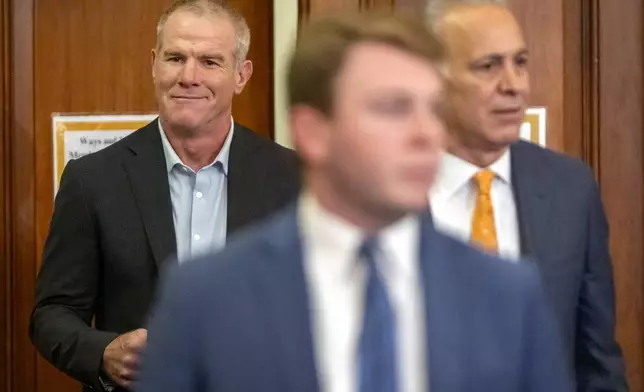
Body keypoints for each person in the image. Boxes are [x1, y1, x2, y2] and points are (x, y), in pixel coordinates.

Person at [136, 10, 573, 392]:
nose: (426, 135)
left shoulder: (508, 296)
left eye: (434, 110)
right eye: (392, 108)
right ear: (312, 132)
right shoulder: (204, 298)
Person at [29, 1, 300, 391]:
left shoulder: (294, 179)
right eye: (175, 57)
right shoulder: (93, 180)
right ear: (154, 64)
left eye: (210, 61)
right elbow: (52, 314)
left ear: (242, 75)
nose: (189, 76)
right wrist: (104, 352)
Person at [425, 0, 628, 390]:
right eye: (489, 66)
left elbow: (598, 363)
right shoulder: (379, 196)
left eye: (520, 62)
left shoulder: (569, 189)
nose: (514, 85)